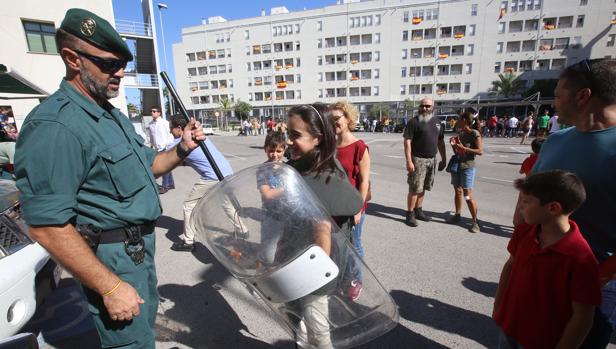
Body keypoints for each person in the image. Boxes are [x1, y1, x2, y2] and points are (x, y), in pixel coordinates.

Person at [14, 9, 206, 348]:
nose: (119, 73)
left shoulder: (108, 115)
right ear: (72, 59)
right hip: (112, 260)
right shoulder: (56, 127)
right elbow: (46, 226)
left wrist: (182, 149)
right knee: (130, 343)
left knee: (143, 336)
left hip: (137, 252)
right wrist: (111, 287)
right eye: (108, 64)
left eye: (123, 65)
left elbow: (149, 165)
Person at [515, 58, 616, 348]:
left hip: (597, 278)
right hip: (537, 265)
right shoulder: (556, 141)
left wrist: (602, 275)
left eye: (559, 95)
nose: (554, 102)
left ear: (583, 96)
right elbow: (528, 191)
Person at [494, 171, 600, 349]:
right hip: (508, 327)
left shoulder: (580, 258)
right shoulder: (524, 232)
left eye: (526, 202)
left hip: (543, 341)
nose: (520, 207)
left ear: (553, 208)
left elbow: (583, 316)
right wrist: (498, 307)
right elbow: (510, 266)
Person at [285, 103, 362, 348]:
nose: (288, 141)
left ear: (317, 139)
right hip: (295, 260)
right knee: (299, 323)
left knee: (318, 329)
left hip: (312, 270)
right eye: (289, 134)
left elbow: (322, 232)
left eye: (295, 135)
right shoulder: (304, 166)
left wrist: (311, 275)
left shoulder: (324, 175)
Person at [167, 115, 241, 252]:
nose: (170, 132)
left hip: (212, 176)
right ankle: (242, 229)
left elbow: (164, 160)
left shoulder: (178, 143)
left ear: (179, 129)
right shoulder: (200, 136)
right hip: (227, 171)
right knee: (225, 202)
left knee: (189, 206)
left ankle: (188, 241)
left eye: (171, 128)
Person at [331, 100, 371, 300]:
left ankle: (356, 280)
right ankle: (343, 278)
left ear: (348, 119)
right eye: (331, 120)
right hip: (333, 205)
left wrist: (358, 209)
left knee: (354, 244)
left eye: (337, 118)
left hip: (352, 207)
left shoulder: (359, 147)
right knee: (338, 244)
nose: (334, 123)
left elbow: (364, 182)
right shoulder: (330, 146)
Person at [403, 97, 446, 227]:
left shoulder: (438, 123)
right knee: (415, 188)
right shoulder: (413, 122)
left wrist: (444, 159)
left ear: (432, 107)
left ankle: (419, 210)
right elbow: (407, 142)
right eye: (422, 106)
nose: (424, 108)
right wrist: (409, 161)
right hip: (417, 159)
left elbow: (440, 142)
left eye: (427, 106)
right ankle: (410, 214)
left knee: (424, 187)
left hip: (432, 159)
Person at [446, 112, 483, 233]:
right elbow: (458, 151)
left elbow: (480, 151)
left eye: (458, 119)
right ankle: (457, 215)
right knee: (458, 191)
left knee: (467, 194)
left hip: (468, 166)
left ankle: (475, 221)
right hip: (457, 165)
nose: (457, 121)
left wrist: (465, 148)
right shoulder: (461, 133)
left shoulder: (474, 133)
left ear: (465, 120)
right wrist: (454, 145)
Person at [255, 131, 287, 264]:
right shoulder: (263, 170)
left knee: (286, 247)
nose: (275, 154)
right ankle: (263, 264)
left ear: (284, 150)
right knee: (269, 253)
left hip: (288, 214)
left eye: (279, 151)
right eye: (271, 150)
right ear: (265, 149)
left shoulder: (288, 167)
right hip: (271, 215)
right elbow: (267, 194)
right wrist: (286, 189)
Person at [148, 106, 175, 194]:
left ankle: (165, 186)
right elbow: (152, 137)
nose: (152, 112)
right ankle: (170, 184)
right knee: (166, 167)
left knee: (163, 167)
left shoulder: (165, 123)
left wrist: (168, 146)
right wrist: (151, 146)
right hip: (156, 148)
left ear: (159, 113)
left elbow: (170, 134)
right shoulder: (151, 124)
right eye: (151, 111)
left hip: (164, 147)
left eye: (154, 111)